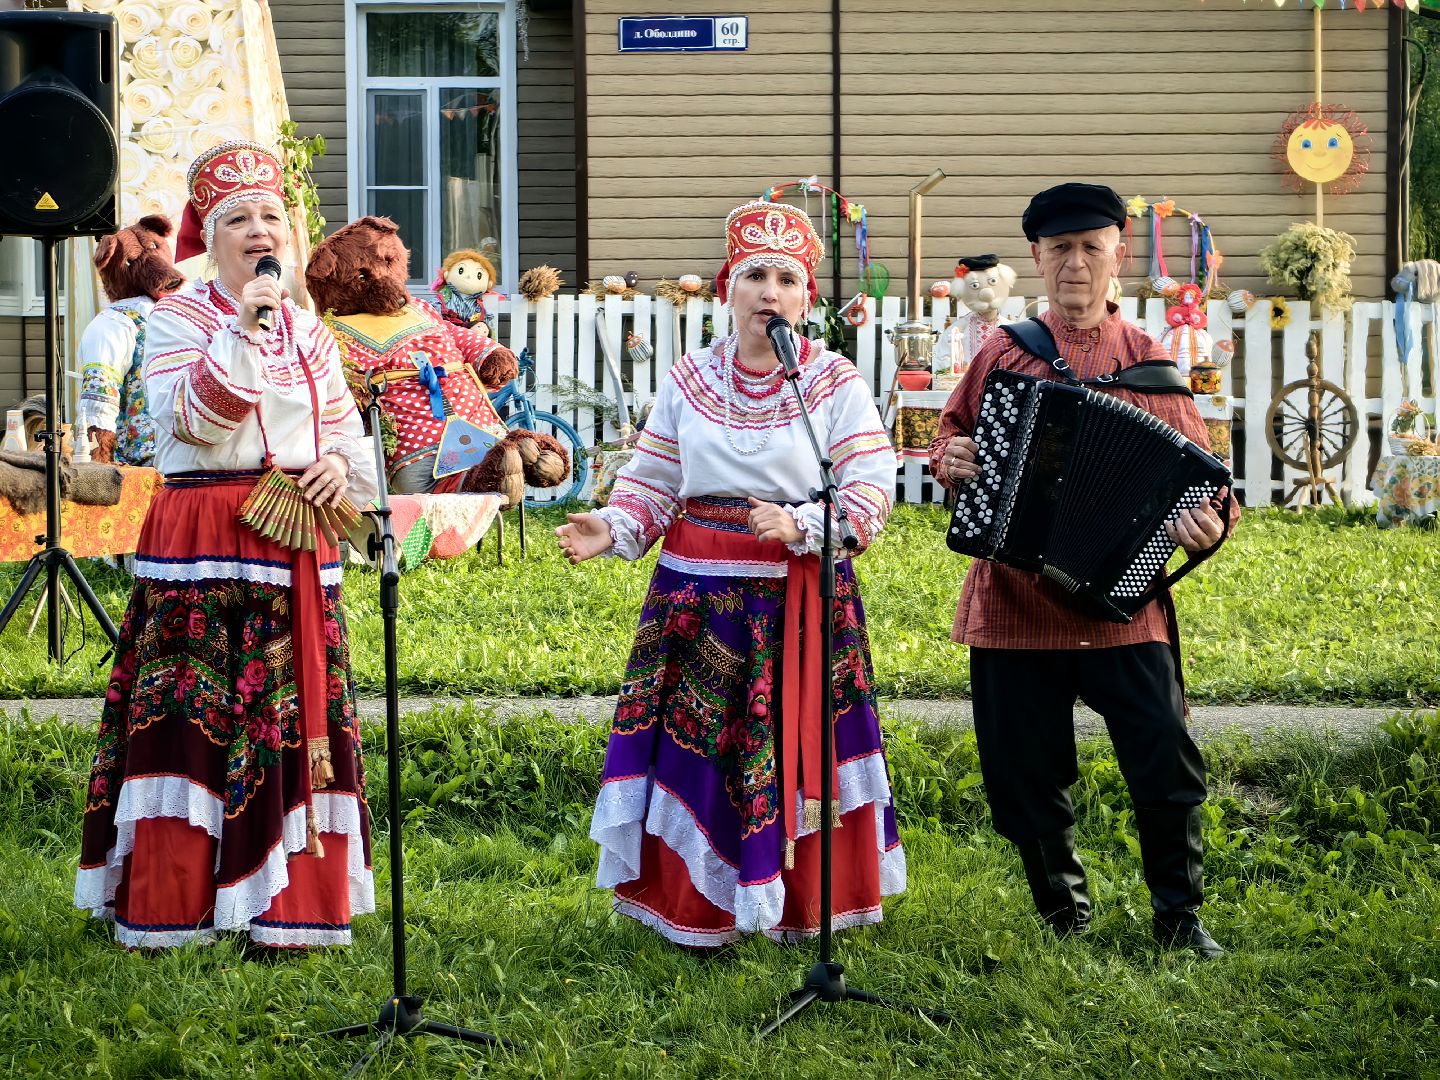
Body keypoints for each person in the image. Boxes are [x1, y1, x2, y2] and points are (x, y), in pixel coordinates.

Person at [557, 201, 904, 948]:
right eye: (754, 276)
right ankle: (699, 906)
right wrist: (613, 527)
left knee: (789, 741)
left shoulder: (832, 382)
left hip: (796, 597)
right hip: (696, 596)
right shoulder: (689, 378)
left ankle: (799, 905)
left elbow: (872, 488)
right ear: (728, 289)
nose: (769, 293)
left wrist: (805, 524)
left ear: (806, 298)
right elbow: (654, 481)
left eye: (786, 279)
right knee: (702, 744)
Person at [75, 141, 378, 949]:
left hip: (295, 535)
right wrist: (243, 331)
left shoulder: (311, 332)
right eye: (237, 219)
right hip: (204, 535)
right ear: (209, 239)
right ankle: (180, 905)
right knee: (193, 714)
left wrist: (337, 465)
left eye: (271, 216)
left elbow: (344, 432)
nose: (259, 232)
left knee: (290, 714)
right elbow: (193, 423)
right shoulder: (175, 319)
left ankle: (289, 905)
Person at [929, 182, 1240, 959]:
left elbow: (1209, 487)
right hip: (1013, 599)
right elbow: (949, 432)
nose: (1075, 263)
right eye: (1060, 248)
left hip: (1120, 605)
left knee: (1165, 754)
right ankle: (1062, 916)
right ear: (1037, 257)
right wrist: (951, 458)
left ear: (1118, 255)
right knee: (1023, 770)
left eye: (1090, 248)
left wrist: (1207, 528)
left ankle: (1179, 918)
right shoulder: (1005, 353)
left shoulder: (1151, 364)